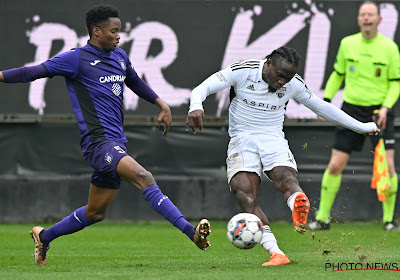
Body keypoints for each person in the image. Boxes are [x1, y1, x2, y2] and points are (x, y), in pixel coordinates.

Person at [0, 4, 211, 266]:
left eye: (119, 31)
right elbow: (32, 71)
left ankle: (44, 236)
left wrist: (161, 104)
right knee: (144, 177)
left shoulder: (120, 57)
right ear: (97, 32)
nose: (118, 36)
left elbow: (134, 81)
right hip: (98, 144)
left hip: (115, 144)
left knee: (95, 213)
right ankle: (191, 233)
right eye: (114, 31)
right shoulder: (75, 59)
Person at [186, 46, 379, 266]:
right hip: (242, 139)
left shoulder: (293, 83)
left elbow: (322, 107)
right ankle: (277, 253)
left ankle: (297, 203)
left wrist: (361, 126)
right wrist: (196, 106)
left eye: (288, 77)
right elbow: (203, 87)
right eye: (280, 76)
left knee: (285, 178)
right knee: (244, 194)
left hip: (273, 137)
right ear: (268, 63)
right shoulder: (243, 70)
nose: (283, 82)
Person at [306, 1, 400, 232]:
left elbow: (395, 84)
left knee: (387, 167)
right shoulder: (347, 44)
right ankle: (322, 219)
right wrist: (325, 102)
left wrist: (386, 107)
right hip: (351, 111)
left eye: (371, 14)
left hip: (380, 112)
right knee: (336, 164)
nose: (366, 18)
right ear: (358, 19)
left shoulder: (390, 48)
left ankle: (389, 220)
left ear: (379, 19)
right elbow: (337, 75)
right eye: (362, 14)